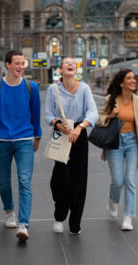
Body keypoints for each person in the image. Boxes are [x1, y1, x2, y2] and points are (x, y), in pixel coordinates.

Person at [0, 51, 42, 242]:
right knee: (4, 180)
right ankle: (9, 213)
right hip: (2, 140)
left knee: (24, 180)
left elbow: (35, 113)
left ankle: (23, 224)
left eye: (23, 63)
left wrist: (37, 135)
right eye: (17, 63)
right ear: (7, 65)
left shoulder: (32, 87)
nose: (21, 67)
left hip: (24, 140)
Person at [44, 57, 98, 235]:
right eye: (67, 63)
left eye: (74, 64)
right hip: (61, 135)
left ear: (76, 70)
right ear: (60, 70)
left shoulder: (84, 89)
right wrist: (57, 124)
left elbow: (92, 113)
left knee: (79, 181)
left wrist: (80, 127)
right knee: (62, 180)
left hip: (79, 136)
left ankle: (75, 222)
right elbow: (48, 113)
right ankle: (59, 216)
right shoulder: (53, 89)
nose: (71, 65)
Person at [96, 68, 138, 231]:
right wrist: (110, 116)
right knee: (118, 181)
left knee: (130, 181)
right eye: (129, 78)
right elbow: (98, 121)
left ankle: (128, 217)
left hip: (133, 143)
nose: (133, 80)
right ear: (121, 83)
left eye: (134, 78)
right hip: (114, 142)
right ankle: (113, 201)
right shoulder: (110, 100)